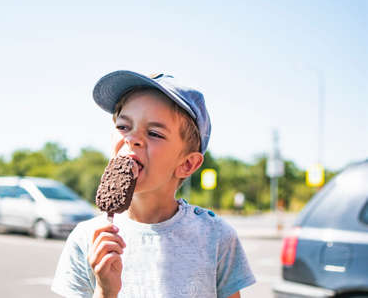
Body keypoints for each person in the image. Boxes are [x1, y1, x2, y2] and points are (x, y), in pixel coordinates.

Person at [51, 70, 256, 298]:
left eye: (154, 133)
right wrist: (104, 291)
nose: (133, 138)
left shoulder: (216, 237)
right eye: (123, 127)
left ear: (187, 164)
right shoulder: (87, 239)